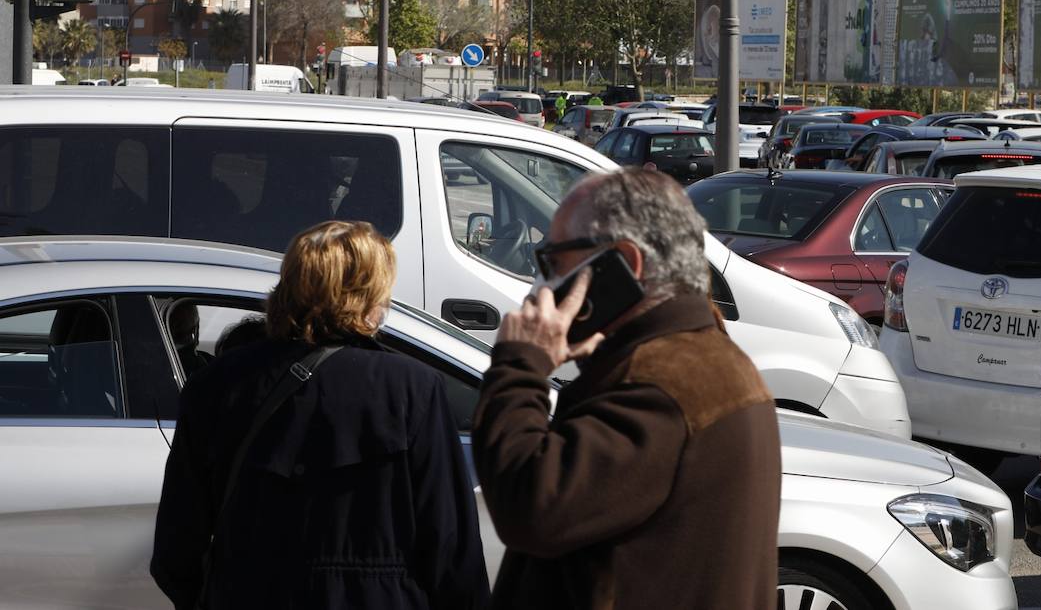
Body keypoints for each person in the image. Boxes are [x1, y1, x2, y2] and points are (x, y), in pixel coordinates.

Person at [473, 168, 781, 610]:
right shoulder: (709, 360)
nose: (542, 283)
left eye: (554, 262)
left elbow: (532, 507)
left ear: (622, 264)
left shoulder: (660, 383)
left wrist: (521, 364)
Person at [151, 221, 488, 610]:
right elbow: (451, 547)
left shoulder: (214, 386)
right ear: (366, 297)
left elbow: (176, 551)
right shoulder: (412, 389)